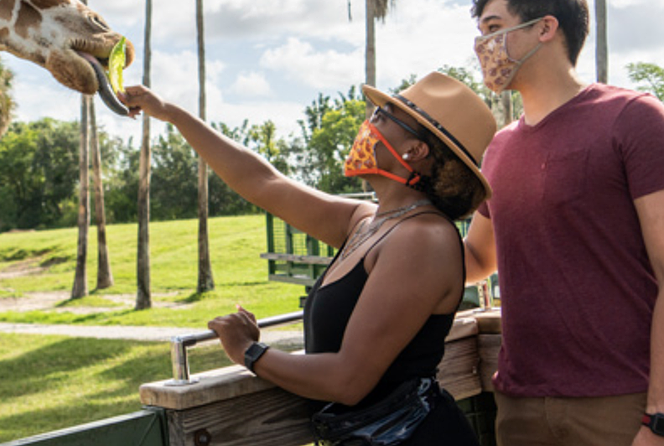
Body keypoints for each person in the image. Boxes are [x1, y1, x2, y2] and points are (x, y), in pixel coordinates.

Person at [121, 71, 496, 445]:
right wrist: (170, 112)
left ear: (415, 151)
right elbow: (264, 183)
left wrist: (248, 351)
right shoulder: (368, 222)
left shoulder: (423, 239)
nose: (369, 122)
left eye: (384, 116)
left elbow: (347, 381)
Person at [463, 0, 664, 446]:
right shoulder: (498, 148)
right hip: (519, 406)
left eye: (494, 29)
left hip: (623, 405)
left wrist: (658, 417)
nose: (482, 47)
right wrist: (379, 232)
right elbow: (475, 260)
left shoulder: (634, 119)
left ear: (545, 28)